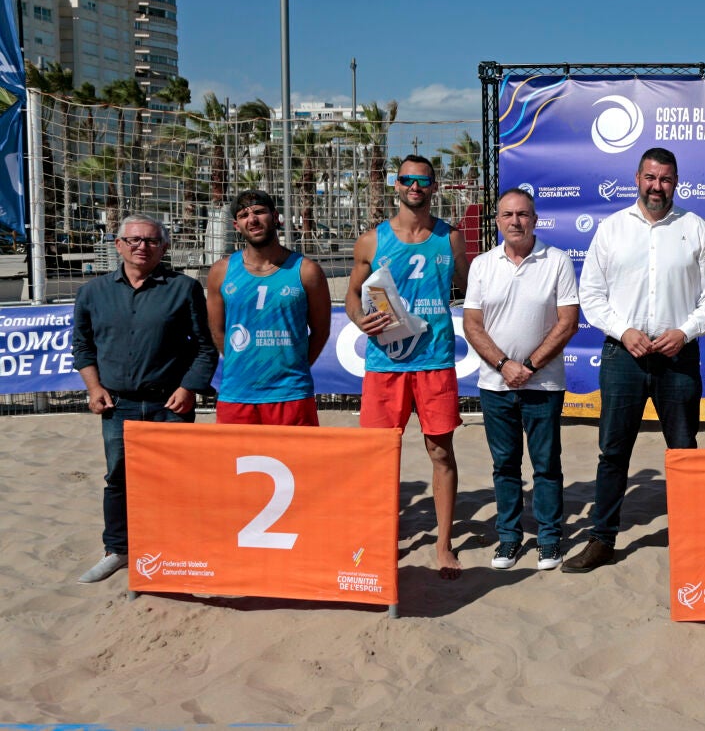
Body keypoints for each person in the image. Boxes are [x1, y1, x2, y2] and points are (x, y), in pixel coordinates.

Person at [567, 148, 705, 572]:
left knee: (684, 450)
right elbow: (592, 295)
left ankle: (691, 536)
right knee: (613, 451)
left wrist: (685, 332)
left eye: (666, 179)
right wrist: (624, 331)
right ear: (637, 178)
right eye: (651, 178)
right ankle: (602, 539)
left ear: (677, 182)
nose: (658, 187)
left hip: (678, 356)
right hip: (624, 356)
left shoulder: (694, 228)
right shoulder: (612, 228)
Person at [72, 214, 218, 583]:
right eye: (134, 240)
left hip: (170, 404)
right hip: (117, 405)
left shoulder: (184, 288)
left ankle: (175, 551)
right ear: (118, 245)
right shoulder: (92, 292)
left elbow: (205, 347)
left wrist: (189, 388)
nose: (142, 246)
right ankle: (118, 550)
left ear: (164, 247)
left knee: (176, 479)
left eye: (152, 240)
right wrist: (94, 388)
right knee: (118, 478)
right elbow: (83, 347)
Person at [345, 155, 469, 578]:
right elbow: (353, 295)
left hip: (434, 359)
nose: (415, 186)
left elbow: (472, 289)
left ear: (434, 186)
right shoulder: (372, 240)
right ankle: (380, 539)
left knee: (441, 452)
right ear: (395, 185)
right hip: (386, 362)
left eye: (423, 180)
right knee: (379, 456)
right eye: (407, 179)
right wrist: (359, 320)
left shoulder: (451, 238)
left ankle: (443, 544)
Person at [463, 189, 579, 572]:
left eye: (523, 214)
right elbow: (472, 325)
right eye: (508, 215)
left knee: (546, 465)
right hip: (495, 385)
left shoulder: (557, 261)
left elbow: (568, 323)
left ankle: (549, 539)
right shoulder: (482, 264)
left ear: (535, 219)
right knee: (505, 466)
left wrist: (527, 366)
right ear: (497, 221)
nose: (516, 221)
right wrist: (504, 365)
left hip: (543, 385)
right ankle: (509, 538)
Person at [205, 190, 331, 426]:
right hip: (237, 394)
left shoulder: (307, 271)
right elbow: (217, 331)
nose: (252, 219)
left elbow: (321, 330)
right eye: (244, 215)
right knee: (236, 453)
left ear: (275, 217)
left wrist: (294, 368)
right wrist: (242, 363)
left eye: (259, 212)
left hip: (291, 394)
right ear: (236, 225)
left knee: (298, 452)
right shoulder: (221, 271)